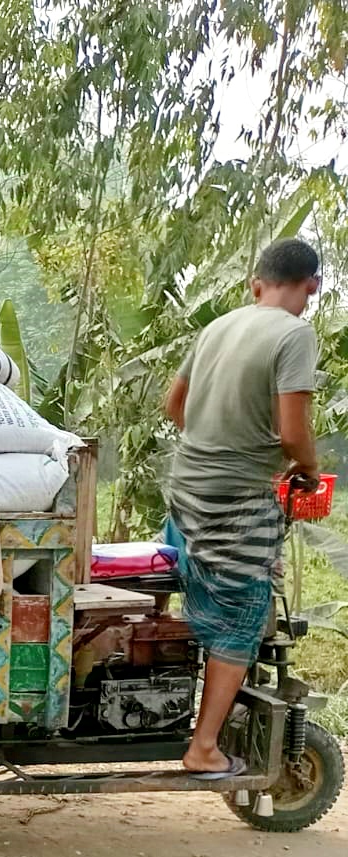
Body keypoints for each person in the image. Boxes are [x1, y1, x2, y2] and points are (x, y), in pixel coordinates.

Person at [165, 238, 322, 778]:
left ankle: (183, 716)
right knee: (243, 611)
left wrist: (211, 446)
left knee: (198, 595)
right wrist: (304, 469)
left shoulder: (218, 326)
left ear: (256, 285)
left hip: (184, 486)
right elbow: (294, 433)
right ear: (313, 286)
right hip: (236, 498)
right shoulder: (295, 333)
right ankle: (203, 746)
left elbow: (174, 405)